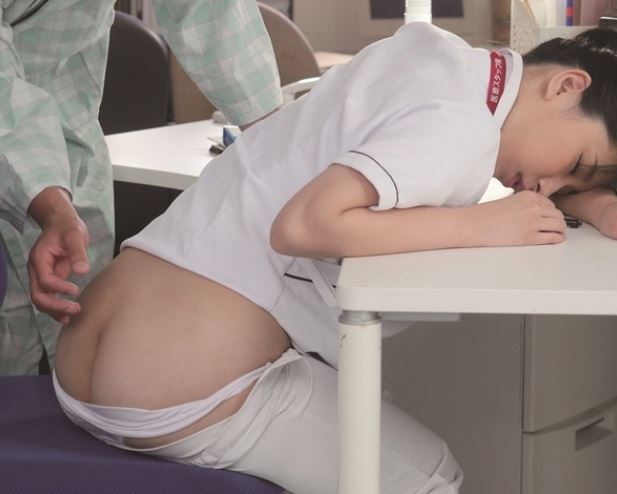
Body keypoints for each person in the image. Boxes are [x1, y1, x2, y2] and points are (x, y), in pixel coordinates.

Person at [53, 23, 617, 494]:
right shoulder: (462, 126)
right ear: (567, 85)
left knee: (370, 404)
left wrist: (587, 198)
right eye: (576, 166)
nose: (548, 188)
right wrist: (481, 225)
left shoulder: (432, 54)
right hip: (181, 397)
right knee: (429, 478)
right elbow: (304, 225)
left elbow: (427, 153)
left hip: (81, 361)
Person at [0, 0, 282, 375]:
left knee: (77, 342)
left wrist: (279, 147)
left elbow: (208, 11)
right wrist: (51, 204)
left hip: (71, 136)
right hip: (28, 149)